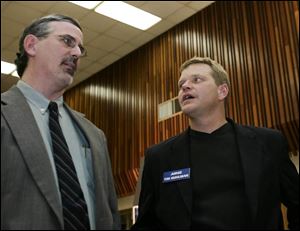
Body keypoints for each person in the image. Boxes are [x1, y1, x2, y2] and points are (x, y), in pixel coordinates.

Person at [132, 57, 299, 230]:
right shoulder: (159, 157)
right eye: (181, 83)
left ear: (222, 91)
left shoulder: (269, 143)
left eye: (196, 80)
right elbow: (146, 224)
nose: (185, 86)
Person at [1, 14, 120, 230]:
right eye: (67, 41)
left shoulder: (94, 134)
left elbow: (110, 212)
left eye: (80, 49)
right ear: (31, 45)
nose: (76, 53)